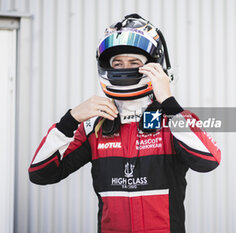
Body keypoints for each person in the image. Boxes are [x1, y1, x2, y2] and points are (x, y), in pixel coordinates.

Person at [28, 14, 221, 233]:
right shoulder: (95, 127)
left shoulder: (174, 121)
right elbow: (40, 173)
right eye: (117, 63)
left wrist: (168, 102)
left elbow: (209, 160)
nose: (124, 68)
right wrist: (69, 120)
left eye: (134, 62)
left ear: (154, 67)